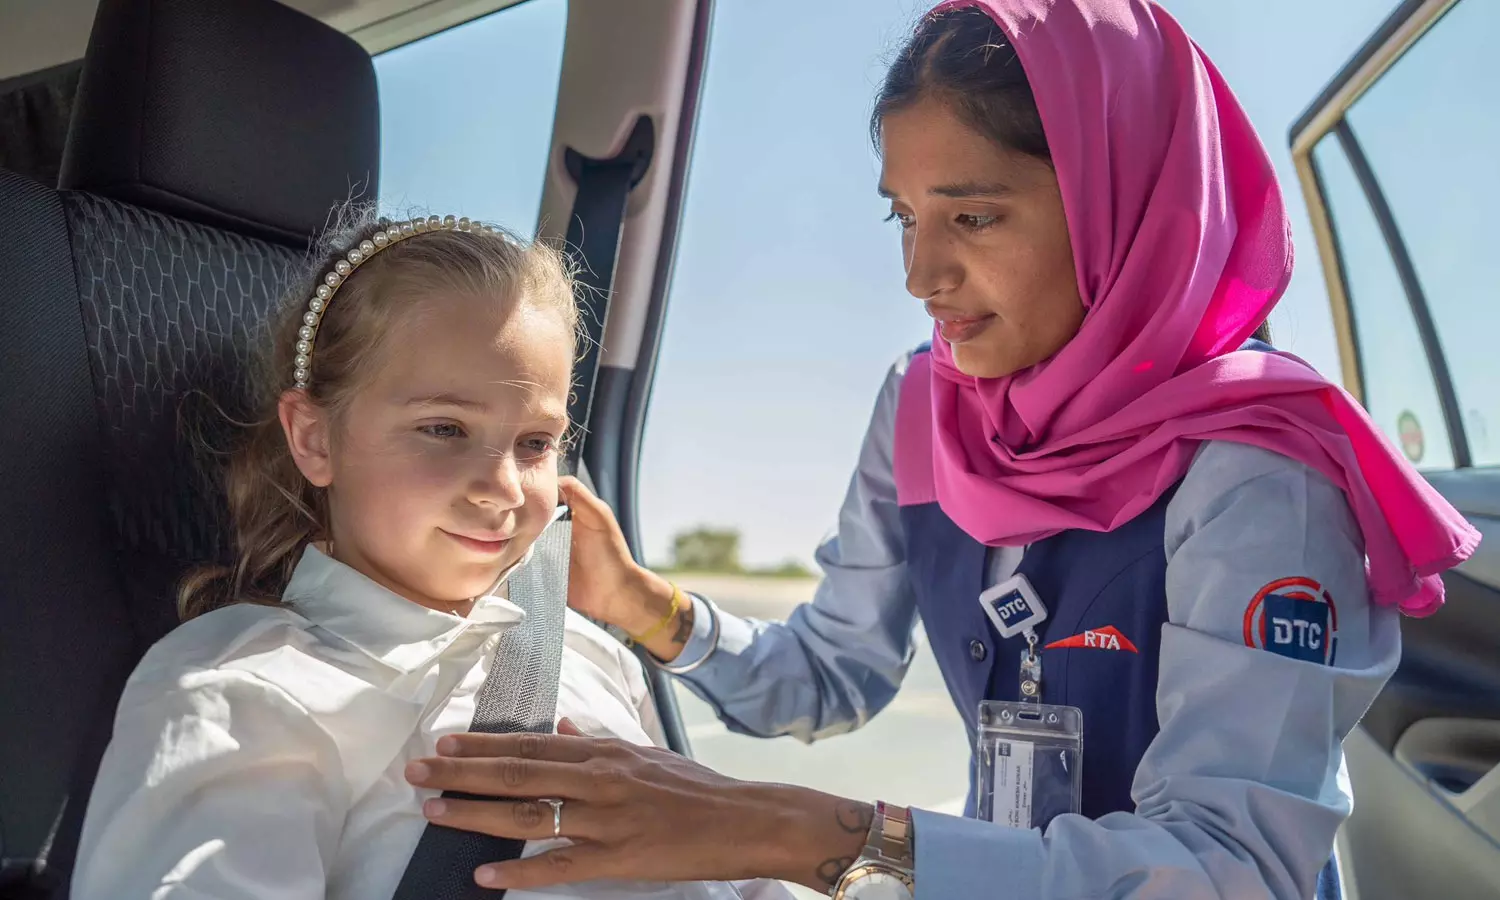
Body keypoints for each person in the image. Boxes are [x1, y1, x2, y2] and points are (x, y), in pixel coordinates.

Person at [398, 2, 1481, 899]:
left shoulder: (1261, 472)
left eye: (973, 217)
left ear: (1123, 204)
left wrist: (788, 831)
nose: (921, 277)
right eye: (903, 219)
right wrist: (642, 606)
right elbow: (832, 675)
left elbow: (1231, 872)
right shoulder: (924, 407)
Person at [69, 210, 790, 900]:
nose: (504, 488)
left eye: (536, 443)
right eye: (444, 428)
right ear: (315, 439)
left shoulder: (593, 654)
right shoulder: (248, 691)